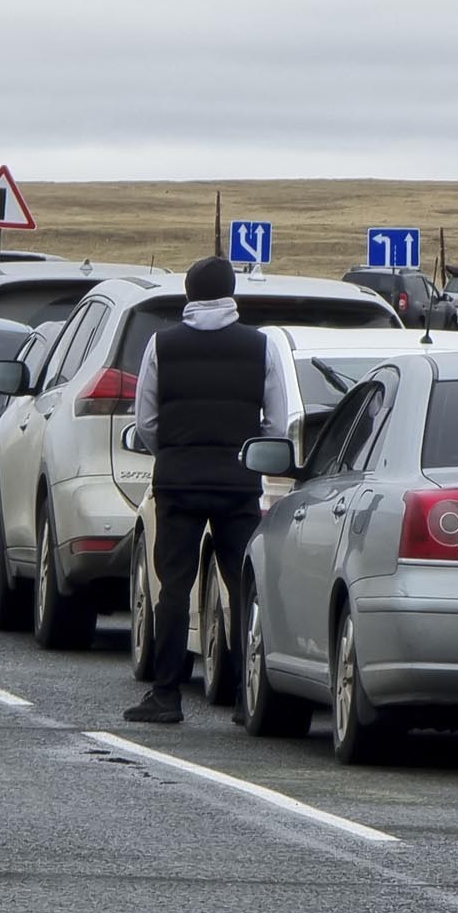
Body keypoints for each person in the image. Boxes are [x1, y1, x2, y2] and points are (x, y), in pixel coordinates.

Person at [123, 255, 289, 725]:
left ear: (189, 293)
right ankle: (243, 695)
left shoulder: (163, 345)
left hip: (177, 480)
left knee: (173, 587)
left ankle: (166, 695)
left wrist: (173, 451)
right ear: (231, 291)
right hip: (238, 482)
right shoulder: (261, 346)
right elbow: (275, 422)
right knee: (241, 587)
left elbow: (146, 421)